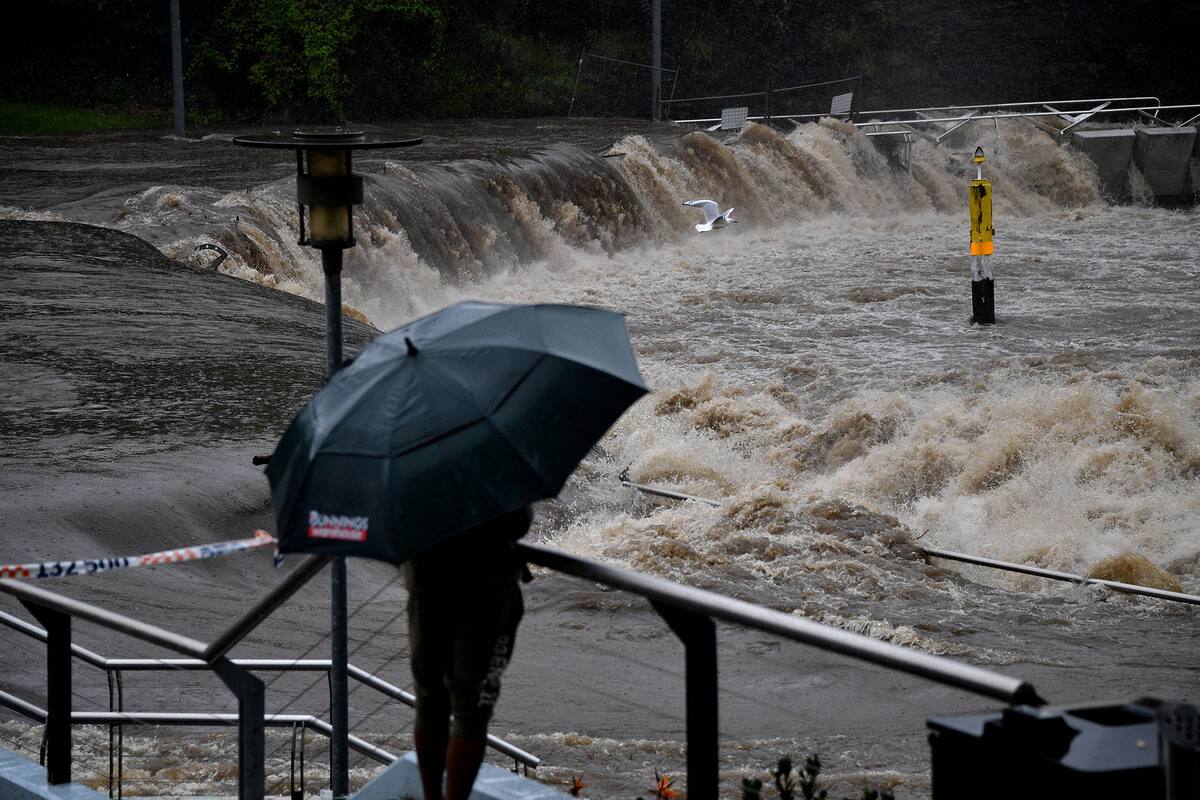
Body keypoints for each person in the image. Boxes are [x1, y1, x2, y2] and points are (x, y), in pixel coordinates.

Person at [403, 505, 533, 800]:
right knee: (471, 709)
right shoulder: (490, 465)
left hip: (425, 579)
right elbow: (518, 521)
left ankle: (431, 795)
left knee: (429, 699)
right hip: (486, 588)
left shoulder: (410, 464)